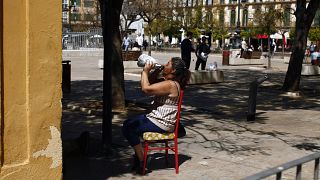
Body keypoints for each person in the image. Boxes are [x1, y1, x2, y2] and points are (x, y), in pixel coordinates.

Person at [122, 57, 190, 174]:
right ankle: (140, 157)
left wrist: (145, 71)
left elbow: (145, 89)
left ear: (173, 70)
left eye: (168, 63)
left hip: (162, 122)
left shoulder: (171, 84)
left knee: (128, 127)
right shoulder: (167, 81)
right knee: (128, 124)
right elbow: (151, 81)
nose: (165, 64)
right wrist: (157, 70)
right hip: (157, 119)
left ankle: (141, 160)